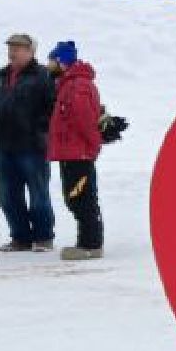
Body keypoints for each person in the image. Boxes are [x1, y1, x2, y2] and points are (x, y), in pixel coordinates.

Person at [0, 33, 56, 252]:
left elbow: (53, 108)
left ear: (31, 51)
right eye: (11, 46)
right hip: (3, 145)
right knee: (6, 194)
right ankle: (20, 237)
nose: (13, 51)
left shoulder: (44, 75)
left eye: (19, 47)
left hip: (33, 146)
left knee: (38, 194)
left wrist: (41, 131)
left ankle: (43, 237)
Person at [46, 40, 107, 260]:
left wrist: (92, 145)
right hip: (70, 152)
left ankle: (90, 244)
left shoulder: (77, 86)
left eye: (51, 60)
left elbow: (84, 120)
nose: (48, 64)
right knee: (75, 198)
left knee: (81, 198)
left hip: (77, 153)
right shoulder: (67, 84)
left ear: (61, 62)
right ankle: (87, 241)